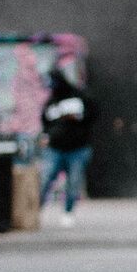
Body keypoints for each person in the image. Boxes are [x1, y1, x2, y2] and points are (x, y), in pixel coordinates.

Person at [39, 66, 96, 224]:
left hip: (77, 148)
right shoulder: (51, 103)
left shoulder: (79, 97)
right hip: (55, 148)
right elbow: (45, 121)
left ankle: (68, 212)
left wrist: (78, 121)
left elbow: (92, 115)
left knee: (74, 181)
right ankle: (35, 210)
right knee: (45, 179)